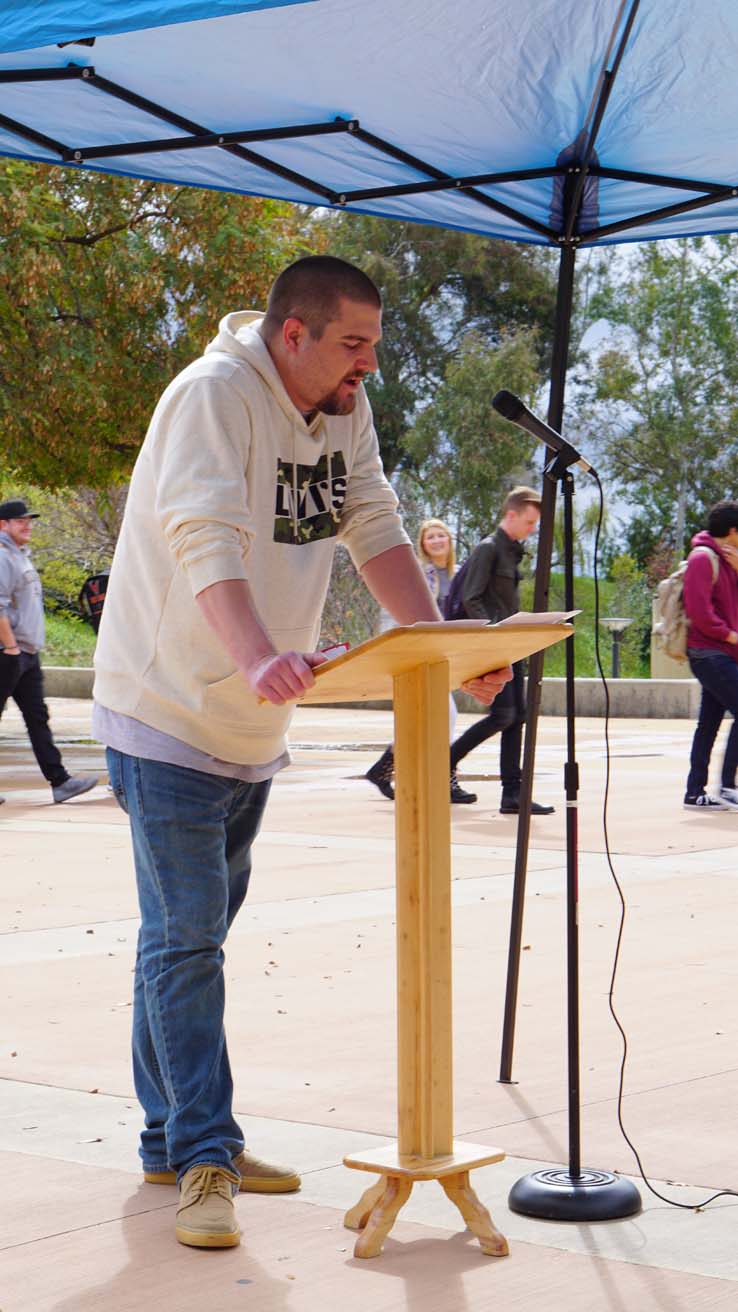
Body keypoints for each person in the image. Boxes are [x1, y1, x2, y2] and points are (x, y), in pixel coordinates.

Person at [92, 255, 510, 1250]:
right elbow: (202, 538)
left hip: (252, 724)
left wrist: (446, 652)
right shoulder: (213, 395)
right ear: (294, 334)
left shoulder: (344, 410)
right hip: (167, 709)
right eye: (353, 344)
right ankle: (206, 1154)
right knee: (187, 941)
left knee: (181, 941)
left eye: (375, 344)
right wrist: (257, 655)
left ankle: (166, 1137)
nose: (370, 364)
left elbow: (375, 526)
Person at [449, 485, 555, 816]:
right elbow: (471, 596)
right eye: (529, 522)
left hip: (511, 644)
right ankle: (445, 762)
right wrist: (494, 637)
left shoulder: (510, 551)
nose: (533, 529)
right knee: (504, 715)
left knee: (517, 716)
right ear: (511, 515)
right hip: (495, 646)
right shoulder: (489, 548)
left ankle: (513, 795)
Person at [365, 516, 476, 803]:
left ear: (450, 540)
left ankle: (383, 768)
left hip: (446, 652)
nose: (437, 541)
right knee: (446, 714)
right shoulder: (418, 574)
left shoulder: (461, 574)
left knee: (423, 717)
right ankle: (445, 779)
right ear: (423, 545)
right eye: (431, 537)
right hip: (420, 651)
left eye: (441, 535)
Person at [0, 499, 98, 805]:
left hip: (26, 653)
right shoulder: (3, 557)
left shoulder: (20, 556)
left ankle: (60, 782)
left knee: (37, 717)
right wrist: (10, 647)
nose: (27, 525)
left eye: (29, 520)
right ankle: (60, 780)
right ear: (3, 525)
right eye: (20, 521)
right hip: (8, 652)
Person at [683, 499, 738, 810]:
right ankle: (728, 786)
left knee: (709, 723)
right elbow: (699, 612)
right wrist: (730, 635)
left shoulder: (727, 560)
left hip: (722, 654)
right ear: (733, 531)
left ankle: (695, 792)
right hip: (708, 653)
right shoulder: (702, 558)